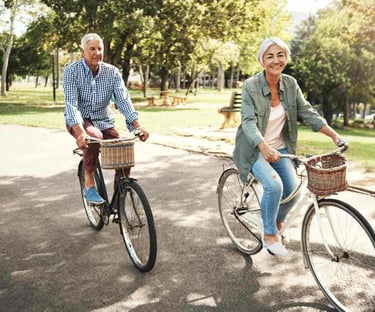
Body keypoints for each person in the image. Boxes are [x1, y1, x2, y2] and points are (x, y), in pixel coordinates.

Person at [233, 37, 348, 258]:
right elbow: (248, 122)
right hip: (254, 148)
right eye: (270, 56)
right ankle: (268, 236)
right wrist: (264, 147)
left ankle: (274, 223)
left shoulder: (290, 83)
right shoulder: (251, 86)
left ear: (286, 58)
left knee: (293, 190)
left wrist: (335, 136)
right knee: (273, 186)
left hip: (280, 148)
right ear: (262, 61)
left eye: (280, 55)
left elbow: (307, 112)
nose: (276, 60)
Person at [63, 33, 149, 205]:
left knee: (121, 147)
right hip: (80, 120)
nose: (96, 53)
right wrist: (80, 133)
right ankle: (89, 185)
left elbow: (123, 100)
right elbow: (71, 105)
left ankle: (119, 200)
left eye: (99, 49)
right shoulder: (71, 71)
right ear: (83, 51)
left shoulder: (112, 72)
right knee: (93, 135)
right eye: (92, 49)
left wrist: (137, 126)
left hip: (103, 120)